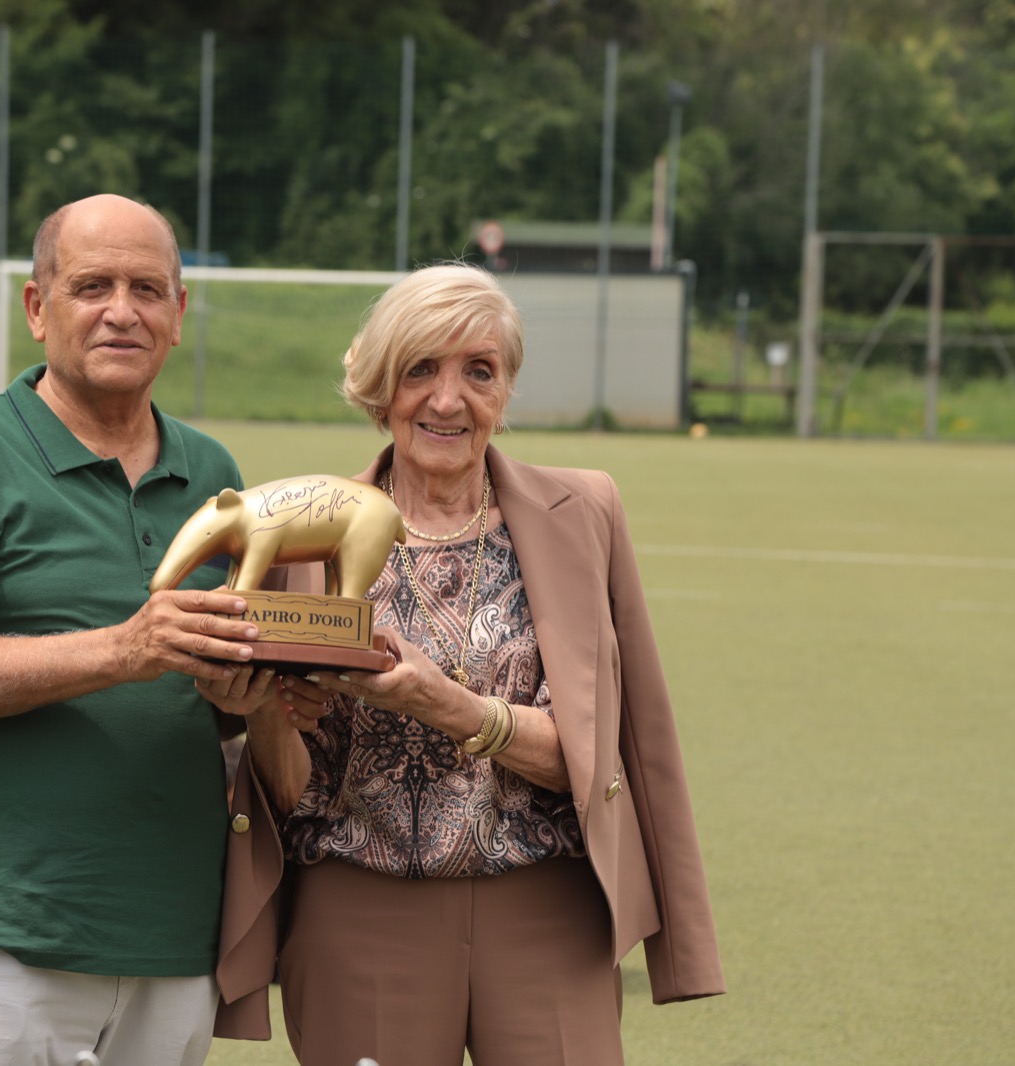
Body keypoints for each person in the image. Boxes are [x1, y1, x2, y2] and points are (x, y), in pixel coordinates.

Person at [213, 263, 726, 1064]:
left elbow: (609, 751)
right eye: (421, 369)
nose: (448, 400)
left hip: (548, 914)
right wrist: (257, 712)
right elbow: (290, 789)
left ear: (506, 389)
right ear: (380, 388)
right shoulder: (306, 536)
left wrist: (446, 705)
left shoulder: (583, 513)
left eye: (478, 372)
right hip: (360, 920)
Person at [0, 193, 272, 1066]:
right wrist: (124, 650)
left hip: (172, 936)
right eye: (92, 285)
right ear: (36, 307)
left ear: (178, 314)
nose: (122, 311)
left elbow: (217, 702)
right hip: (1, 939)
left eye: (148, 288)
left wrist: (241, 694)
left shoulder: (214, 472)